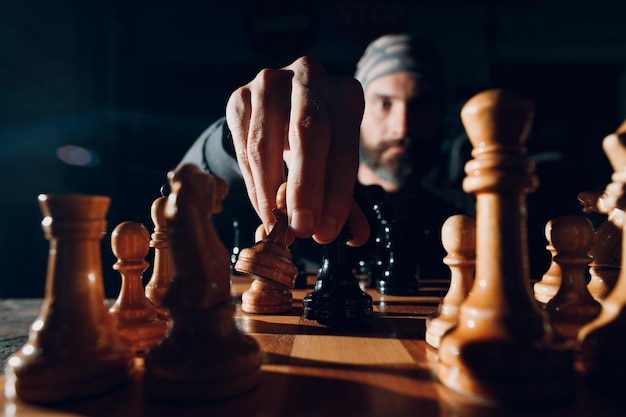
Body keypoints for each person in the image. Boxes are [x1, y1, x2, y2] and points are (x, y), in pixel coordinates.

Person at [180, 33, 463, 279]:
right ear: (358, 111)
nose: (403, 126)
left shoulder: (465, 219)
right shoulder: (285, 194)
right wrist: (235, 141)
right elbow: (174, 208)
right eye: (384, 103)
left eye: (422, 105)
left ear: (444, 115)